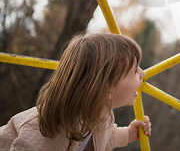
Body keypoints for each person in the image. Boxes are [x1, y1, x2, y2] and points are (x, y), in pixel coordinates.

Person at [0, 33, 152, 151]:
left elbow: (104, 138)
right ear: (106, 88)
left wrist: (128, 134)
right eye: (134, 71)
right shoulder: (48, 129)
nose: (143, 74)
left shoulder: (101, 115)